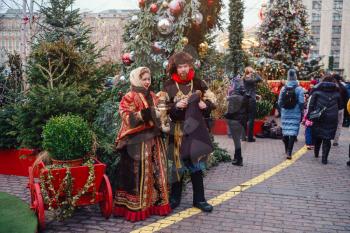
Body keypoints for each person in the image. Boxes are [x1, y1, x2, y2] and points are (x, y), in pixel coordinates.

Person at [113, 67, 171, 221]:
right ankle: (136, 208)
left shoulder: (153, 95)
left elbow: (161, 114)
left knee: (156, 172)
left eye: (148, 79)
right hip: (136, 143)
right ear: (136, 79)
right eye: (144, 79)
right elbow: (127, 118)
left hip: (154, 140)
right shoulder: (129, 96)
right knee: (137, 176)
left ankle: (155, 205)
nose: (147, 82)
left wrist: (164, 118)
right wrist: (148, 113)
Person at [163, 51, 216, 212]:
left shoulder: (199, 83)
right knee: (177, 167)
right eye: (180, 67)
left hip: (195, 130)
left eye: (185, 66)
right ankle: (174, 198)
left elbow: (212, 100)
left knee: (196, 164)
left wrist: (204, 104)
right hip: (177, 131)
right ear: (175, 68)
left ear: (190, 66)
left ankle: (199, 199)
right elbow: (162, 108)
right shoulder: (169, 85)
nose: (183, 70)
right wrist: (175, 107)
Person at [307, 75, 341, 164]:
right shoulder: (337, 93)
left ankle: (316, 153)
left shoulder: (316, 92)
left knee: (318, 135)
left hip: (318, 117)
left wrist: (309, 115)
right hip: (331, 118)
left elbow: (311, 105)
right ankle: (324, 159)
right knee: (327, 138)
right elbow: (341, 106)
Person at [278, 69, 304, 159]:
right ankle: (289, 152)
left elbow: (279, 101)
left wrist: (281, 109)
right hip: (295, 112)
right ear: (296, 77)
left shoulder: (283, 88)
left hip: (285, 112)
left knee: (285, 131)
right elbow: (301, 102)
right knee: (293, 132)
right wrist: (301, 110)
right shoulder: (299, 89)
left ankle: (286, 150)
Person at [224, 81, 249, 166]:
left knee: (236, 141)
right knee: (237, 140)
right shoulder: (245, 98)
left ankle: (239, 159)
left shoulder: (232, 97)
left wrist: (225, 115)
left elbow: (231, 112)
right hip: (242, 122)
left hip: (234, 122)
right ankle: (236, 157)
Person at [243, 66, 262, 142]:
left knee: (245, 118)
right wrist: (255, 72)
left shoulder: (244, 79)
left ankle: (243, 136)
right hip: (251, 100)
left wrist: (256, 95)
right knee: (251, 118)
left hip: (245, 100)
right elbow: (259, 79)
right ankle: (250, 138)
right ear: (250, 72)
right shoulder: (249, 79)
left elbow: (248, 89)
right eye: (251, 72)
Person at [332, 74, 349, 146]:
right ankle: (335, 141)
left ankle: (327, 138)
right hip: (340, 108)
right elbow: (346, 100)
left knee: (329, 123)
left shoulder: (330, 87)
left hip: (331, 108)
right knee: (339, 124)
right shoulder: (343, 88)